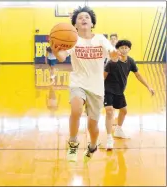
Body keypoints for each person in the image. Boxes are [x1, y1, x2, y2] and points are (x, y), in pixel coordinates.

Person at [51, 6, 120, 162]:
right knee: (75, 109)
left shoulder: (100, 39)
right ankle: (73, 142)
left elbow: (113, 55)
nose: (83, 19)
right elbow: (62, 57)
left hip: (96, 88)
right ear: (74, 24)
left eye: (87, 17)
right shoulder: (73, 40)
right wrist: (55, 52)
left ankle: (93, 145)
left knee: (92, 125)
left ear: (92, 23)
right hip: (78, 83)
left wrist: (114, 54)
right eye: (80, 17)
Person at [104, 40, 155, 150]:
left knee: (124, 111)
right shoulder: (111, 62)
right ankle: (109, 138)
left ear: (129, 49)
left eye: (126, 47)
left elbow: (138, 75)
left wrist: (148, 86)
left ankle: (118, 130)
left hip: (119, 91)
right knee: (109, 111)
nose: (124, 49)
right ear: (117, 49)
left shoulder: (130, 61)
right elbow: (103, 76)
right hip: (107, 90)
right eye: (121, 47)